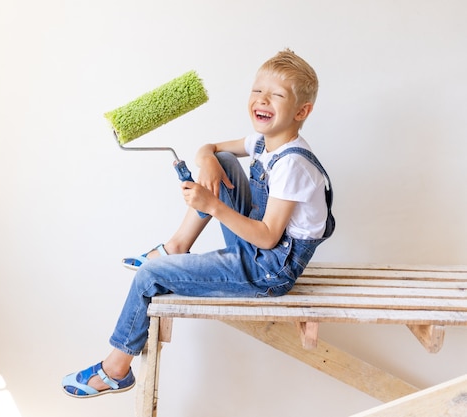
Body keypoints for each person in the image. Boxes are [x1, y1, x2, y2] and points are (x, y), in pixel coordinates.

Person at [62, 48, 335, 398]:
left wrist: (213, 205)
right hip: (256, 249)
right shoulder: (265, 143)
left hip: (269, 271)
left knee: (151, 275)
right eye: (257, 90)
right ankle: (175, 246)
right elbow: (213, 147)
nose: (262, 99)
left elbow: (267, 239)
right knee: (224, 161)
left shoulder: (293, 166)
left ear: (302, 111)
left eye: (276, 95)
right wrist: (206, 158)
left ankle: (116, 369)